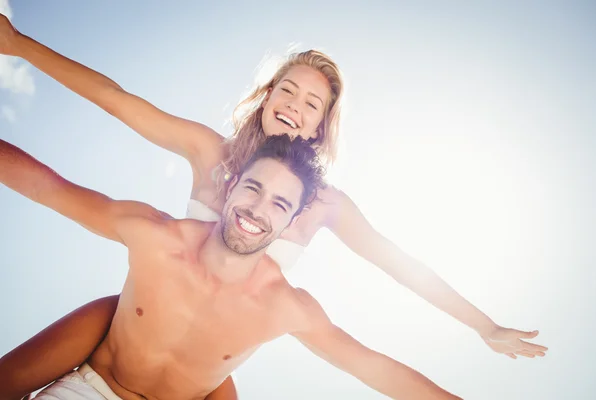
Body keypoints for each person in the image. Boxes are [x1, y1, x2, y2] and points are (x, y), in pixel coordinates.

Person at [0, 14, 546, 399]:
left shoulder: (325, 205)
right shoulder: (207, 152)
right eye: (287, 90)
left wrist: (484, 326)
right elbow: (116, 100)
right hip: (144, 316)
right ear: (267, 95)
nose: (294, 106)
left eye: (312, 103)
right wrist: (20, 44)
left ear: (321, 124)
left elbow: (400, 266)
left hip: (211, 359)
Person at [0, 134, 462, 400]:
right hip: (92, 391)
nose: (258, 209)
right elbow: (49, 188)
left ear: (291, 221)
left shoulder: (283, 305)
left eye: (280, 204)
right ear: (234, 183)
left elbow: (373, 368)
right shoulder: (157, 236)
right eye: (254, 188)